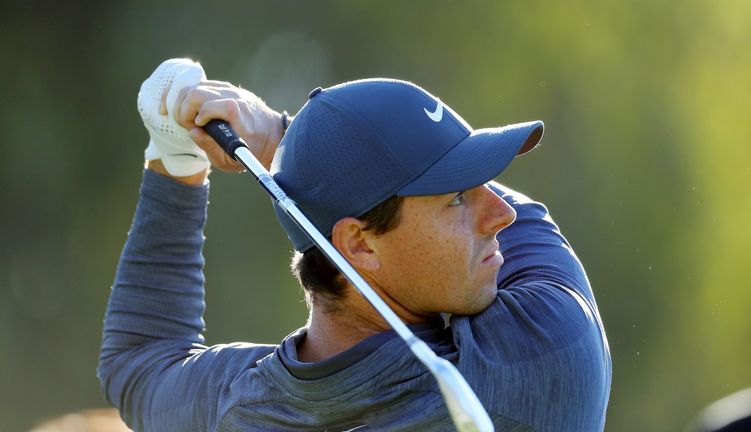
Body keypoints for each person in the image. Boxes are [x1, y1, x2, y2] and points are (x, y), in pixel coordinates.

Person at [99, 59, 612, 431]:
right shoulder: (540, 360)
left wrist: (174, 158)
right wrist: (281, 136)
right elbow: (531, 223)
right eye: (457, 197)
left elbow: (140, 364)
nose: (502, 214)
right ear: (359, 245)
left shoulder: (240, 406)